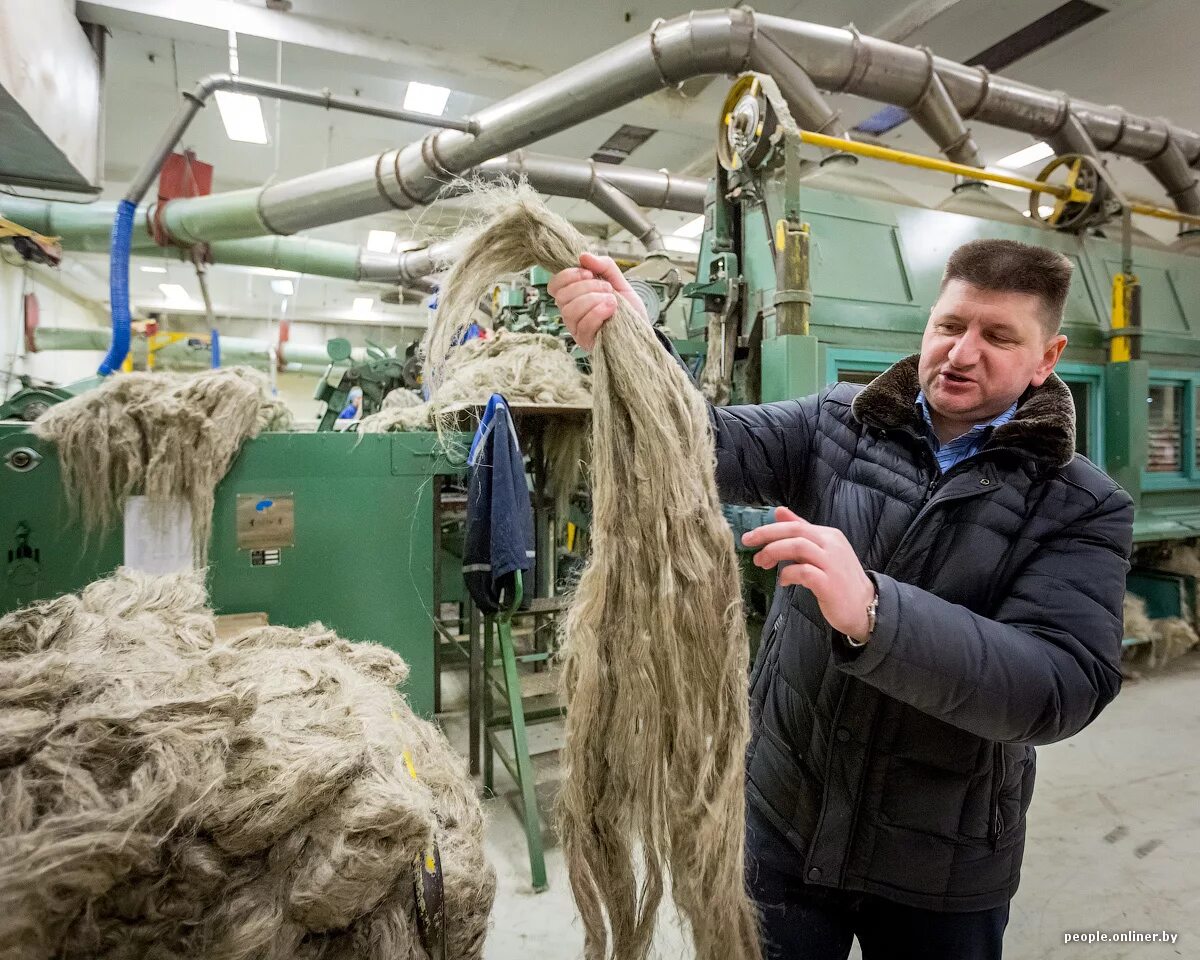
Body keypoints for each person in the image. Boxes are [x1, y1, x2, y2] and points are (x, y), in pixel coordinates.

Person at [547, 239, 1133, 960]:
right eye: (950, 326)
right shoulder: (837, 423)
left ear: (1048, 357)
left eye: (999, 336)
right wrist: (634, 342)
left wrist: (876, 614)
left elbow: (1059, 686)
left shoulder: (1082, 505)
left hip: (938, 866)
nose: (962, 352)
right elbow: (702, 442)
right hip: (784, 827)